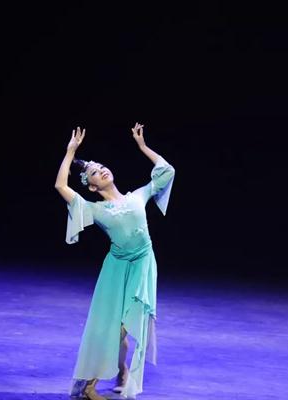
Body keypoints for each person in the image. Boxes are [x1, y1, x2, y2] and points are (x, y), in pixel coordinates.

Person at [54, 123, 175, 400]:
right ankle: (96, 384)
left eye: (101, 166)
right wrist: (71, 152)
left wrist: (143, 147)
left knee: (124, 327)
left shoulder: (138, 196)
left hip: (142, 266)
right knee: (113, 329)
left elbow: (167, 171)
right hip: (116, 269)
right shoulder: (95, 209)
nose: (102, 170)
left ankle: (104, 380)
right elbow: (60, 185)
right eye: (95, 173)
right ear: (92, 186)